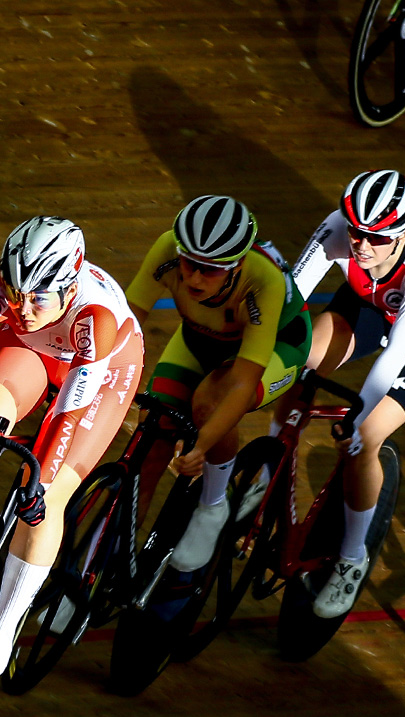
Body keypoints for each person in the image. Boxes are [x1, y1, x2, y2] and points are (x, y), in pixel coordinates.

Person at [0, 217, 144, 679]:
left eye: (37, 297)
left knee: (46, 491)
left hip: (100, 369)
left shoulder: (95, 317)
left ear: (68, 284)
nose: (22, 307)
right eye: (16, 293)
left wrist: (39, 484)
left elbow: (68, 415)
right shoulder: (1, 295)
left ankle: (3, 625)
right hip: (35, 352)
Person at [290, 171, 405, 617]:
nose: (361, 246)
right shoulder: (337, 228)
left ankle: (351, 559)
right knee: (297, 358)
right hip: (368, 304)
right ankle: (271, 468)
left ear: (404, 232)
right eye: (355, 232)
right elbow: (290, 299)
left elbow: (400, 348)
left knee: (365, 438)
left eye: (376, 238)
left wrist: (360, 414)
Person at [124, 195, 313, 574]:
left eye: (209, 270)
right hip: (200, 336)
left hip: (276, 345)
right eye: (189, 263)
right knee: (151, 441)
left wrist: (204, 444)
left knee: (209, 404)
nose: (194, 277)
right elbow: (126, 325)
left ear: (237, 264)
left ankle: (213, 504)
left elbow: (242, 383)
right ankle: (105, 563)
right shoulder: (167, 248)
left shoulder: (264, 281)